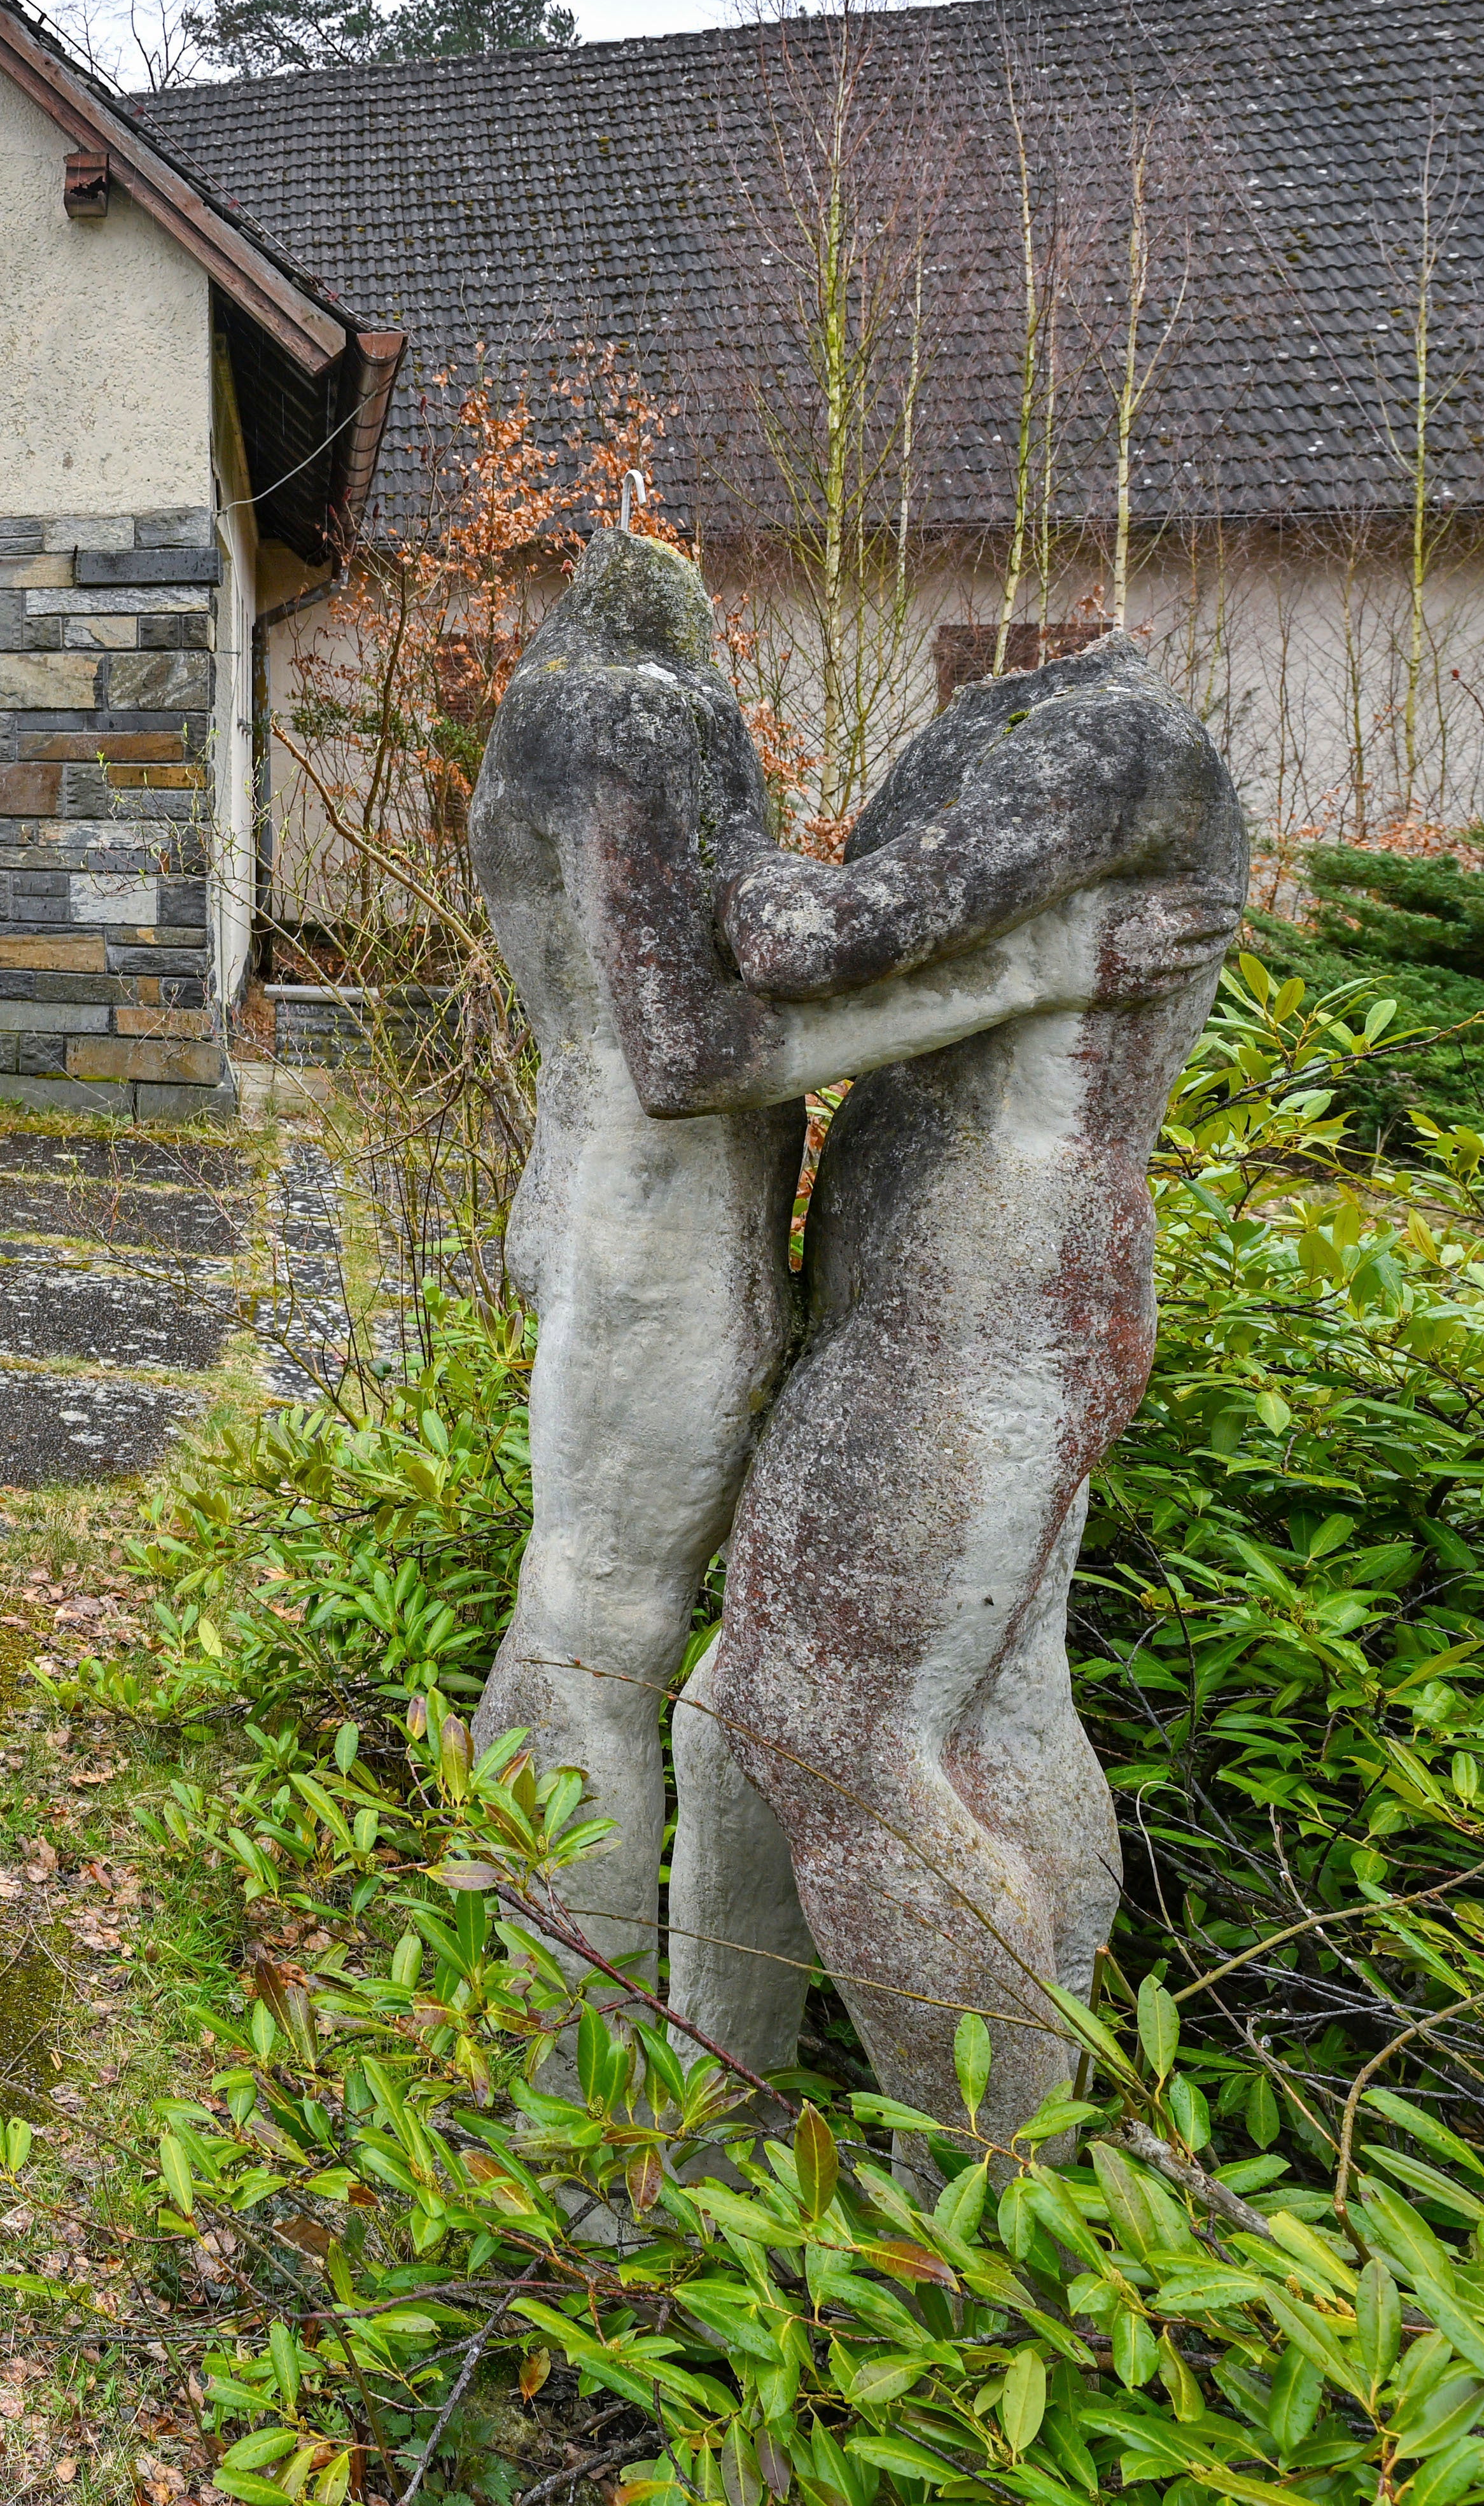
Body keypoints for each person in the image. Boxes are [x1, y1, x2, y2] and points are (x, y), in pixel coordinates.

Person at [462, 527, 1231, 2068]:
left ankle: (699, 2083)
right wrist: (1043, 966)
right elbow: (697, 1045)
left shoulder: (555, 720)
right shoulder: (632, 716)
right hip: (650, 1233)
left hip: (621, 1208)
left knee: (736, 1689)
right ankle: (577, 2085)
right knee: (602, 1634)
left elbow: (731, 971)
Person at [688, 636, 1248, 2145]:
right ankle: (1048, 2149)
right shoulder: (1055, 728)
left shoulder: (1114, 743)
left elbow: (807, 938)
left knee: (819, 1726)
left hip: (982, 1295)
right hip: (987, 1289)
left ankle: (987, 2192)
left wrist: (726, 847)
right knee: (990, 1716)